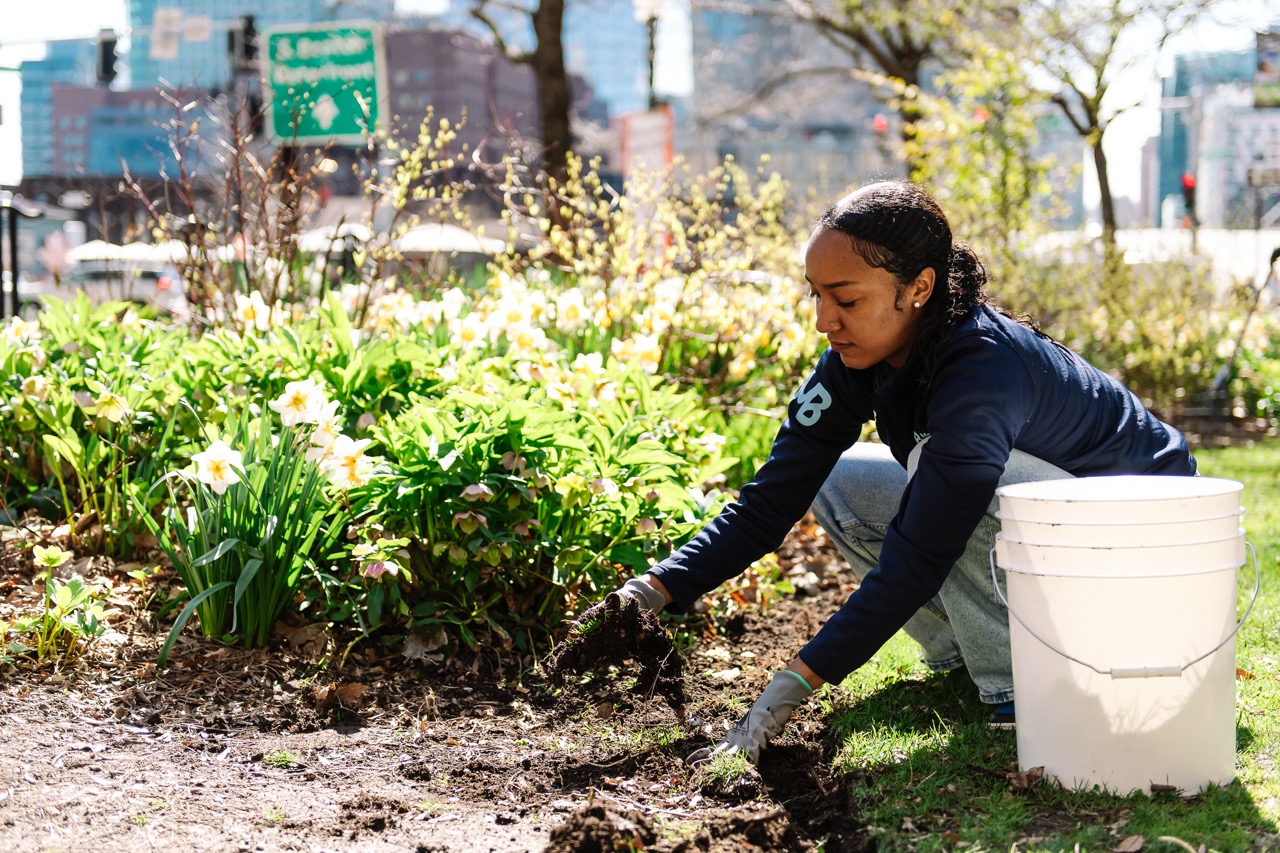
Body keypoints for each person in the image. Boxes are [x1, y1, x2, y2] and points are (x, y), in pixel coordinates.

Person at [596, 180, 1198, 765]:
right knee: (841, 485)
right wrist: (647, 594)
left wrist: (783, 696)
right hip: (1070, 534)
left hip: (1147, 551)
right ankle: (964, 659)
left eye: (846, 299)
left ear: (918, 288)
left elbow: (919, 555)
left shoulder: (981, 371)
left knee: (944, 479)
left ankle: (1022, 685)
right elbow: (769, 503)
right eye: (817, 296)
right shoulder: (861, 354)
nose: (823, 321)